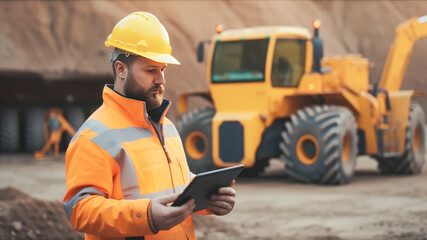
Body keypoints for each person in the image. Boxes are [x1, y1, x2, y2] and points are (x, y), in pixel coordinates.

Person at [63, 12, 236, 240]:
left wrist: (209, 200)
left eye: (162, 69)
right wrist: (145, 216)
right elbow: (80, 211)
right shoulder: (94, 136)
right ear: (121, 70)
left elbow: (174, 186)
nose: (161, 80)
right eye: (150, 70)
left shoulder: (169, 128)